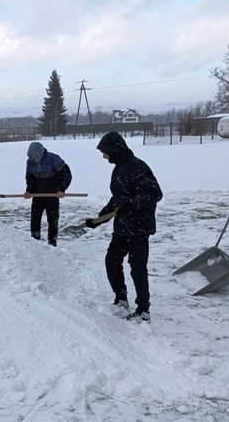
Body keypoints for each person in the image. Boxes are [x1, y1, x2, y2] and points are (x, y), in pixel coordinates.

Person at [85, 132, 162, 322]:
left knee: (137, 267)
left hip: (139, 227)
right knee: (112, 260)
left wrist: (132, 204)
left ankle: (143, 310)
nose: (104, 156)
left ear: (115, 150)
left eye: (105, 152)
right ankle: (121, 298)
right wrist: (99, 219)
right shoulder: (119, 168)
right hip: (122, 226)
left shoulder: (137, 167)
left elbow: (154, 193)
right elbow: (117, 199)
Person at [24, 141, 72, 247]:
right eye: (31, 157)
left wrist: (62, 189)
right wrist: (29, 191)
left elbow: (66, 174)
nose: (34, 159)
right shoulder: (30, 162)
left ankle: (52, 242)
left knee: (52, 220)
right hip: (38, 196)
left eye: (35, 156)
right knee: (35, 219)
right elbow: (30, 178)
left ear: (40, 153)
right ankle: (35, 242)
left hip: (53, 195)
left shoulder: (53, 159)